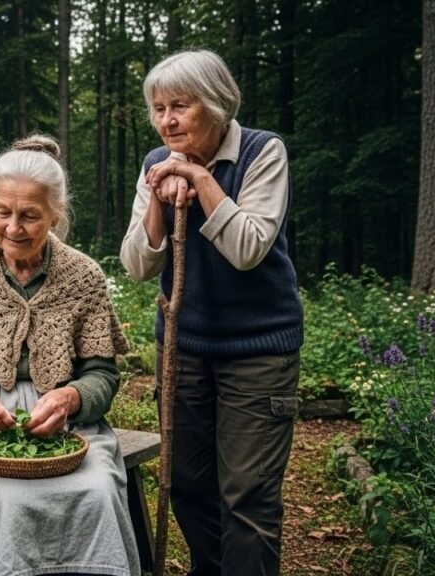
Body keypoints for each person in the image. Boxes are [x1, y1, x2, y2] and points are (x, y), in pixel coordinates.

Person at [0, 134, 140, 576]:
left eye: (30, 216)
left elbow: (102, 375)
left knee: (97, 492)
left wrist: (73, 398)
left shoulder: (84, 276)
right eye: (3, 212)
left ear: (56, 214)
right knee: (8, 501)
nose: (13, 228)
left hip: (69, 432)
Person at [120, 50, 303, 576]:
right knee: (189, 481)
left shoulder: (262, 152)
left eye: (180, 105)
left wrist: (199, 180)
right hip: (183, 350)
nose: (167, 120)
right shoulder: (156, 163)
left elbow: (248, 247)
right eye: (158, 108)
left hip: (259, 350)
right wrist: (159, 191)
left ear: (216, 104)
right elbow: (136, 263)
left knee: (247, 496)